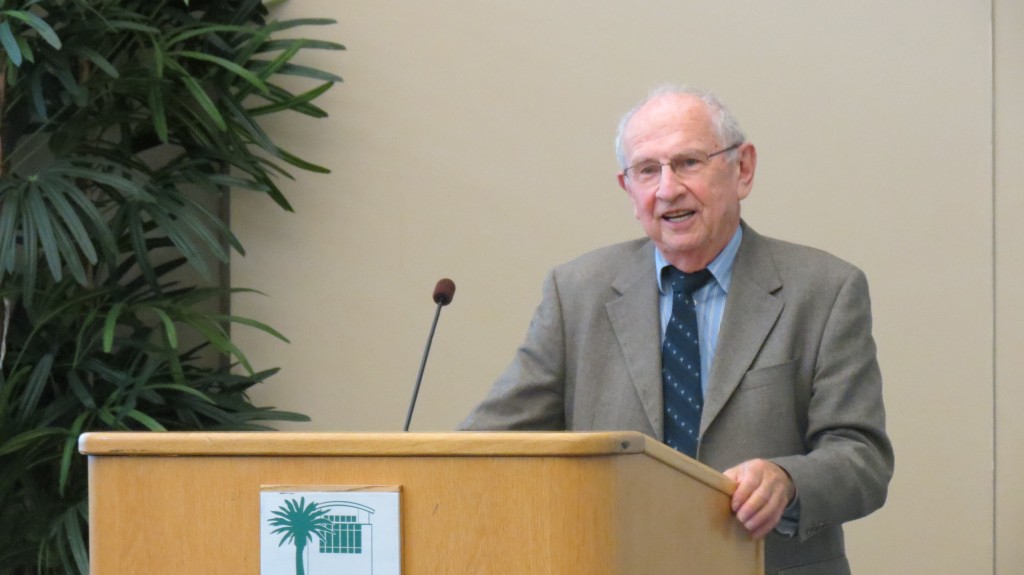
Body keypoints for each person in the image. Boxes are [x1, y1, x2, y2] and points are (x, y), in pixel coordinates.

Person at [459, 85, 894, 575]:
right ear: (629, 190)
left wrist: (787, 479)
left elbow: (863, 458)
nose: (667, 189)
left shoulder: (825, 290)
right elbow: (487, 446)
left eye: (688, 162)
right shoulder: (577, 292)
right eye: (647, 170)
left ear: (742, 169)